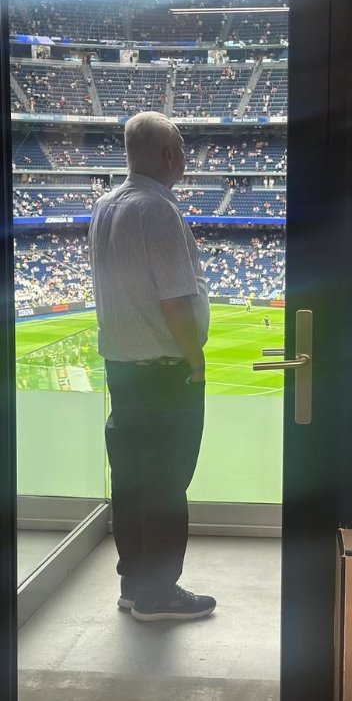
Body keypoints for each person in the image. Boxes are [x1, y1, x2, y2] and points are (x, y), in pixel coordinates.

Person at [88, 111, 215, 623]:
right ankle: (157, 594)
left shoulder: (104, 206)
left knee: (131, 479)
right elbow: (176, 301)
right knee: (165, 481)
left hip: (122, 369)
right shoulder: (158, 210)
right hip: (164, 372)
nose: (183, 156)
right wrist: (196, 360)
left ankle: (135, 583)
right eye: (181, 148)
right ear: (169, 155)